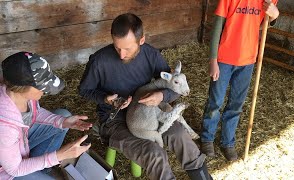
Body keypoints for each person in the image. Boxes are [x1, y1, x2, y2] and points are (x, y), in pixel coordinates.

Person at [79, 13, 212, 180]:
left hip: (149, 113)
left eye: (127, 48)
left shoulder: (151, 55)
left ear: (141, 40)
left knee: (180, 135)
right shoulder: (99, 61)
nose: (121, 54)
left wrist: (161, 95)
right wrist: (105, 98)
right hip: (115, 121)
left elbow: (172, 85)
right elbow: (84, 90)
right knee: (154, 154)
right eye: (117, 47)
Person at [200, 0, 279, 161]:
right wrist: (213, 60)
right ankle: (207, 138)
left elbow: (262, 25)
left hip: (247, 60)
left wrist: (275, 16)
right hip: (224, 59)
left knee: (236, 104)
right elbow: (216, 29)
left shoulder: (268, 0)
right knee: (215, 101)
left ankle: (227, 142)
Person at [0, 52, 92, 180]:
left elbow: (35, 114)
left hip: (21, 144)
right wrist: (59, 156)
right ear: (23, 87)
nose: (45, 91)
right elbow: (15, 169)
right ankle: (41, 169)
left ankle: (42, 168)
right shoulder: (4, 127)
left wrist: (63, 121)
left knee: (63, 115)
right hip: (7, 171)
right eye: (42, 87)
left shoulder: (20, 95)